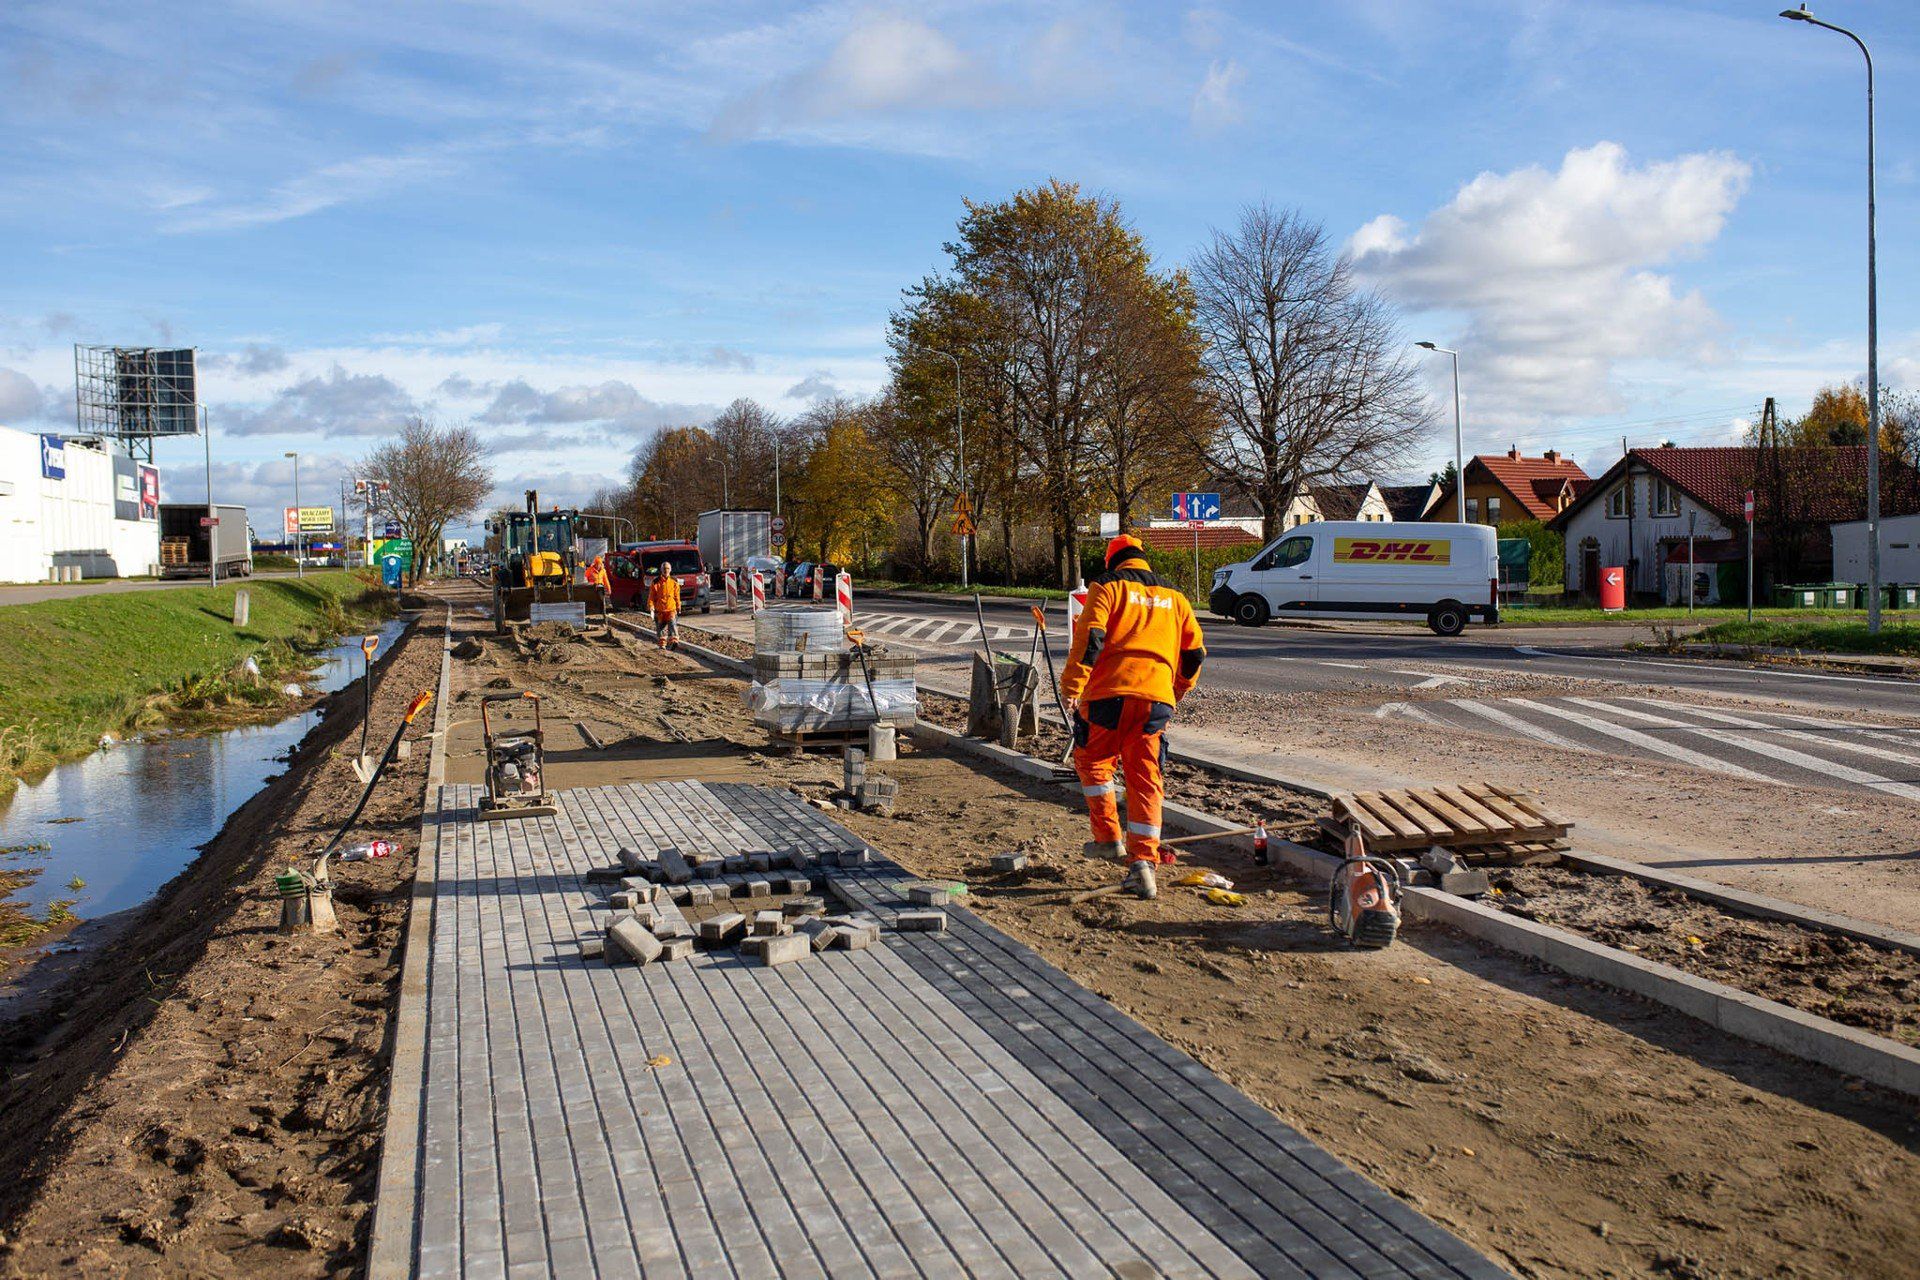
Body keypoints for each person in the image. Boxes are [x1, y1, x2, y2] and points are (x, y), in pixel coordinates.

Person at [1059, 533, 1206, 900]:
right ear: (1142, 558)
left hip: (1109, 694)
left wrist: (1072, 686)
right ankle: (1144, 863)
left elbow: (1090, 638)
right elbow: (1195, 655)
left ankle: (1108, 839)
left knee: (1093, 761)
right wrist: (1175, 692)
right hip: (1155, 699)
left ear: (1113, 562)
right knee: (1145, 776)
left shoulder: (1107, 587)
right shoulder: (1176, 597)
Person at [647, 564, 681, 650]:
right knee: (660, 628)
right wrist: (651, 606)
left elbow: (677, 596)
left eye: (668, 568)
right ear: (661, 570)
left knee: (672, 625)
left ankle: (674, 642)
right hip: (660, 610)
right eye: (664, 569)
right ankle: (662, 645)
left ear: (670, 569)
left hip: (671, 609)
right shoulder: (655, 582)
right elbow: (651, 596)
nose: (666, 570)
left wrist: (678, 606)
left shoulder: (674, 581)